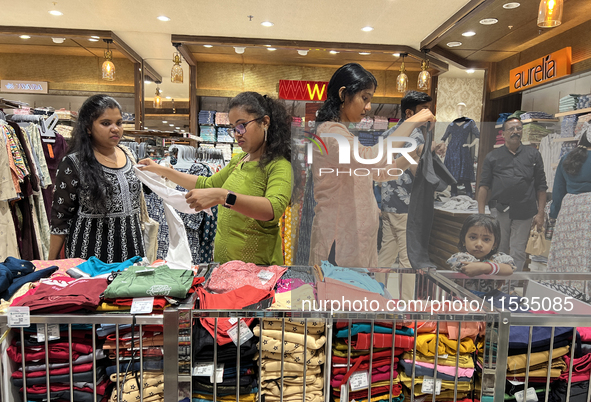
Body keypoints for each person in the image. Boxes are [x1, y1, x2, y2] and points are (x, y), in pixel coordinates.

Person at [138, 92, 292, 265]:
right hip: (226, 268)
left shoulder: (279, 166)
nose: (236, 134)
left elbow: (273, 209)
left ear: (264, 122)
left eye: (241, 126)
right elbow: (206, 183)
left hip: (258, 272)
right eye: (233, 128)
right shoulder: (239, 161)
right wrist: (161, 170)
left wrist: (223, 196)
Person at [308, 63, 435, 268]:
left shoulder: (343, 133)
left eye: (370, 100)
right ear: (343, 94)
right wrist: (411, 122)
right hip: (338, 243)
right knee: (340, 296)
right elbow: (372, 159)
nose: (368, 108)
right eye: (364, 98)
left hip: (355, 239)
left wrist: (413, 152)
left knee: (353, 295)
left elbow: (382, 173)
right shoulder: (330, 132)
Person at [48, 94, 146, 263]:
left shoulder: (129, 155)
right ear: (88, 127)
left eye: (119, 123)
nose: (115, 128)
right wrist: (50, 263)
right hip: (90, 256)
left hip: (133, 250)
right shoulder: (74, 163)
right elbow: (60, 218)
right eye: (106, 123)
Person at [375, 90, 436, 299]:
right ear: (410, 113)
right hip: (407, 205)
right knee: (407, 258)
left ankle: (377, 297)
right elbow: (417, 172)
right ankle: (407, 305)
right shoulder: (416, 135)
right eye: (425, 110)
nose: (430, 115)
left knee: (385, 255)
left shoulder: (390, 133)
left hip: (389, 203)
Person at [477, 117, 547, 272]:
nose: (515, 132)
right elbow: (484, 186)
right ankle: (498, 283)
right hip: (499, 210)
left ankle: (512, 286)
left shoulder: (533, 154)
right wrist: (480, 214)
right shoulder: (492, 157)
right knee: (498, 247)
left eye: (519, 128)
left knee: (518, 250)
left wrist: (540, 213)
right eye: (511, 129)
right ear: (503, 133)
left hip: (525, 210)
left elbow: (541, 186)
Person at [547, 128, 591, 277]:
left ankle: (566, 288)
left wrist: (554, 214)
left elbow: (558, 191)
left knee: (567, 252)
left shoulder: (567, 158)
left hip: (569, 211)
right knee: (587, 253)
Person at [447, 214, 516, 293]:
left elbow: (509, 269)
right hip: (463, 301)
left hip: (488, 302)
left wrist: (485, 267)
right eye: (473, 237)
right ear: (463, 240)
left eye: (486, 239)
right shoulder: (460, 257)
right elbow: (470, 268)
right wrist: (495, 269)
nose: (479, 244)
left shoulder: (498, 257)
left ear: (494, 244)